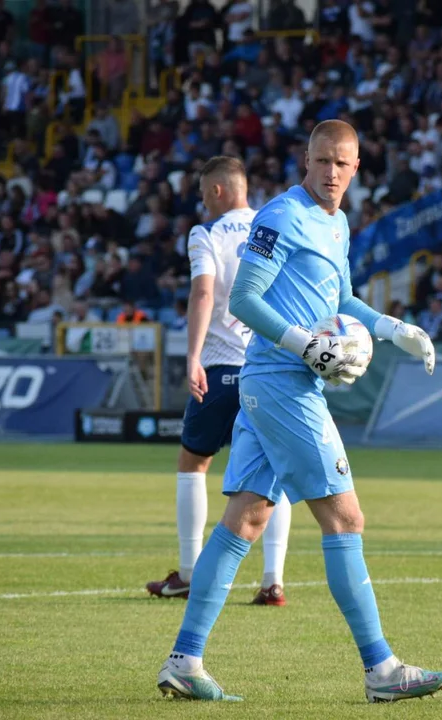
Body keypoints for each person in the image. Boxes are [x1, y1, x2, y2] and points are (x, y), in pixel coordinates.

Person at [155, 120, 442, 702]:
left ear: (357, 167)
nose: (331, 172)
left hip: (277, 385)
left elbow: (340, 298)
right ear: (306, 160)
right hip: (281, 383)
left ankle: (185, 661)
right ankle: (381, 669)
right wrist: (304, 344)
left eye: (343, 164)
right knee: (345, 519)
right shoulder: (280, 216)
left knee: (245, 518)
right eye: (322, 161)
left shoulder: (338, 222)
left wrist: (394, 329)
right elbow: (243, 298)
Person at [146, 156, 293, 605]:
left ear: (216, 191)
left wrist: (192, 357)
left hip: (222, 370)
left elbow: (204, 291)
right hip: (269, 369)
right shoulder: (273, 228)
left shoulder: (205, 234)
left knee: (193, 463)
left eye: (202, 192)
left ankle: (190, 572)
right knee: (274, 470)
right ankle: (273, 580)